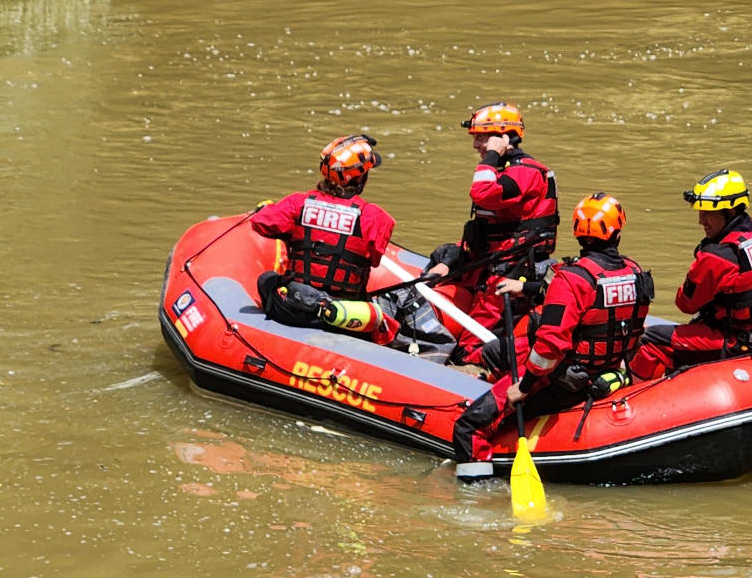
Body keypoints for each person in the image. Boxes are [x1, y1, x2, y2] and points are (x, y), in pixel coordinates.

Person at [452, 194, 653, 480]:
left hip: (562, 381)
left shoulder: (572, 278)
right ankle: (480, 372)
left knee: (468, 426)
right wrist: (525, 288)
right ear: (617, 231)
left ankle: (474, 492)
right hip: (606, 371)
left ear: (577, 232)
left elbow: (550, 345)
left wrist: (524, 386)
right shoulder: (633, 273)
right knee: (501, 352)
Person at [630, 169, 752, 381]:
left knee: (652, 339)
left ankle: (629, 399)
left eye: (707, 212)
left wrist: (702, 259)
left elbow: (685, 304)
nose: (701, 220)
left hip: (740, 342)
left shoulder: (718, 257)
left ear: (730, 212)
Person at [426, 102, 559, 367]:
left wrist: (491, 156)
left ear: (503, 137)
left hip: (508, 273)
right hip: (490, 263)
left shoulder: (525, 173)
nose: (476, 145)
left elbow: (482, 193)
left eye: (481, 138)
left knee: (466, 353)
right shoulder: (506, 169)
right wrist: (448, 262)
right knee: (441, 257)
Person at [252, 135, 397, 341]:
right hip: (344, 317)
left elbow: (261, 222)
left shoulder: (297, 203)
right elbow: (374, 260)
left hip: (294, 310)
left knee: (267, 279)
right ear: (359, 178)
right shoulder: (377, 218)